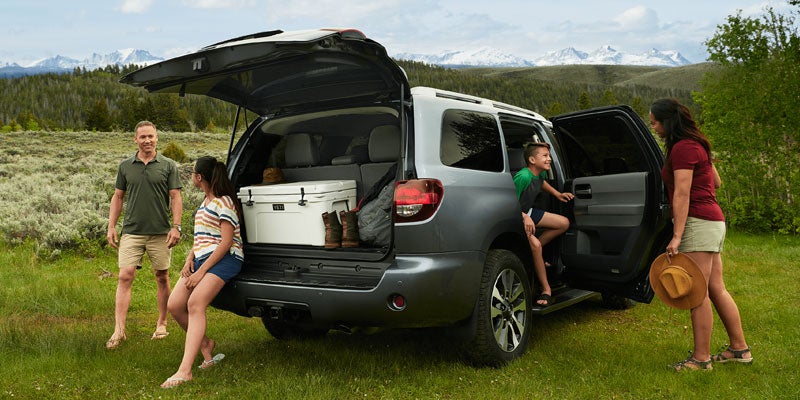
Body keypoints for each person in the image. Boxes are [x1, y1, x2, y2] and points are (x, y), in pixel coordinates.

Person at [650, 98, 752, 371]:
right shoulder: (697, 144)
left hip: (697, 222)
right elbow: (716, 181)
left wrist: (677, 235)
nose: (654, 127)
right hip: (713, 221)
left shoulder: (683, 147)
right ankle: (739, 349)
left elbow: (682, 193)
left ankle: (701, 358)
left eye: (655, 122)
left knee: (697, 293)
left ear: (668, 121)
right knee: (716, 288)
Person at [160, 156, 244, 388]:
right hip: (202, 259)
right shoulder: (205, 202)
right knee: (175, 305)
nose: (191, 177)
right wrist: (190, 260)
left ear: (199, 177)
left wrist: (201, 273)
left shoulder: (224, 202)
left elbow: (226, 242)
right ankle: (205, 344)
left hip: (226, 259)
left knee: (195, 304)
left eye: (193, 174)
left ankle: (184, 371)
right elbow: (202, 238)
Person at [106, 121, 183, 349]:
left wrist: (176, 226)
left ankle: (162, 323)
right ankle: (119, 330)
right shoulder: (125, 166)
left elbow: (175, 196)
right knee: (125, 276)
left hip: (160, 232)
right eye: (143, 137)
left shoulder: (168, 165)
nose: (147, 140)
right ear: (135, 139)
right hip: (132, 231)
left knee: (162, 276)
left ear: (157, 138)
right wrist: (111, 226)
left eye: (150, 136)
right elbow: (118, 197)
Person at [513, 142, 573, 306]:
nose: (549, 159)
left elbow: (541, 182)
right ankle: (546, 290)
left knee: (563, 223)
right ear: (532, 160)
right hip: (515, 216)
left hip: (528, 213)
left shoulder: (539, 173)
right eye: (545, 156)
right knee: (536, 245)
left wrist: (558, 194)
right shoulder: (523, 177)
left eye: (549, 155)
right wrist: (524, 217)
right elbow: (509, 202)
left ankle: (532, 254)